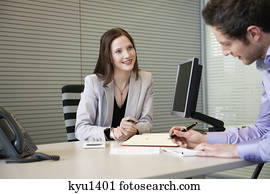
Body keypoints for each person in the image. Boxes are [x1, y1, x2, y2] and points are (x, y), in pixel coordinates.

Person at [169, 0, 270, 162]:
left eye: (226, 44)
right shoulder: (266, 67)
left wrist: (234, 150)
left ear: (253, 33)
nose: (224, 52)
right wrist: (204, 139)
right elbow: (263, 130)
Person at [75, 28, 153, 142]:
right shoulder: (93, 82)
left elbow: (147, 122)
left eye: (129, 48)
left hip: (130, 152)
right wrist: (112, 132)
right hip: (100, 153)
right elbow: (81, 129)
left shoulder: (146, 79)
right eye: (118, 51)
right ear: (109, 57)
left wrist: (134, 129)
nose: (127, 55)